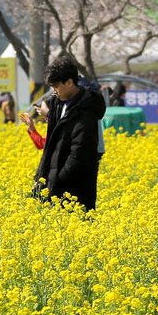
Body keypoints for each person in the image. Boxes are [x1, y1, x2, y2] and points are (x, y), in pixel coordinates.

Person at [34, 55, 107, 210]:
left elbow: (79, 154)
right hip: (54, 187)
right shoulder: (57, 104)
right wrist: (41, 178)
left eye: (56, 86)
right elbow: (50, 147)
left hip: (74, 192)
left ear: (69, 82)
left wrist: (58, 180)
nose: (54, 91)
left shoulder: (86, 111)